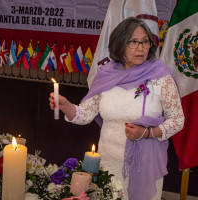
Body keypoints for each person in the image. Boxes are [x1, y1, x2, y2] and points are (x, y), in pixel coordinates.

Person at [49, 17, 184, 200]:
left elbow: (177, 120)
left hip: (144, 167)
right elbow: (85, 115)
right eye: (134, 42)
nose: (141, 48)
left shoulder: (161, 76)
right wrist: (66, 106)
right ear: (120, 44)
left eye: (145, 42)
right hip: (108, 165)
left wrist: (147, 133)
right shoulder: (106, 74)